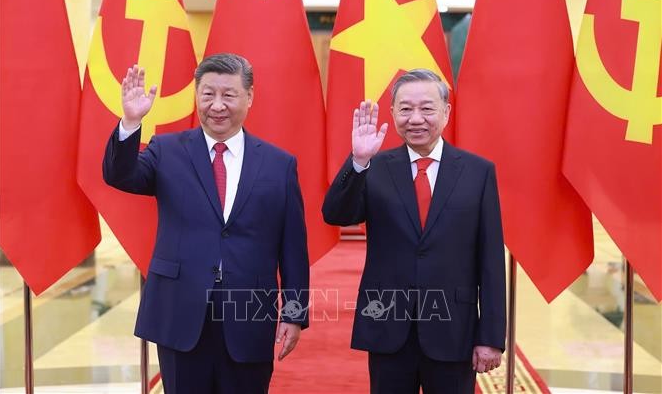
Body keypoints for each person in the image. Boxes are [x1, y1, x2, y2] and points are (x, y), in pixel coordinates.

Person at [103, 53, 309, 394]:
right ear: (196, 96)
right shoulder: (167, 150)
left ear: (249, 96)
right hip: (180, 313)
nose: (217, 106)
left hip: (248, 316)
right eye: (208, 94)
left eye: (228, 95)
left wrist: (294, 312)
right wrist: (130, 122)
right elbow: (119, 175)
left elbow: (293, 248)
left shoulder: (279, 164)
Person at [323, 69, 506, 394]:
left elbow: (490, 259)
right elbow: (336, 214)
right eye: (406, 109)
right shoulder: (374, 167)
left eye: (427, 108)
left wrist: (490, 337)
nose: (416, 118)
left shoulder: (478, 172)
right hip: (388, 327)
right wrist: (359, 161)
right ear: (393, 112)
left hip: (454, 329)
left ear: (446, 112)